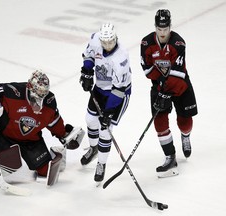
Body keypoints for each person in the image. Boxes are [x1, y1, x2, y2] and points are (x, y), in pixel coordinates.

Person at [0, 70, 84, 190]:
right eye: (37, 93)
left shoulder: (49, 102)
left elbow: (54, 121)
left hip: (32, 141)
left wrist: (64, 135)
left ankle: (56, 153)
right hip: (5, 136)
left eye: (43, 94)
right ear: (30, 87)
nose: (40, 99)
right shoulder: (14, 92)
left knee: (47, 171)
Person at [140, 9, 198, 177]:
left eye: (165, 29)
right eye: (159, 29)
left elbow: (177, 72)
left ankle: (185, 136)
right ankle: (170, 156)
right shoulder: (146, 43)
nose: (162, 32)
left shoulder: (178, 43)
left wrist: (166, 90)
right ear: (155, 27)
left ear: (170, 27)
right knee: (159, 122)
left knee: (185, 122)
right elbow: (147, 69)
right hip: (159, 86)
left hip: (180, 85)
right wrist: (162, 88)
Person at [79, 23, 132, 183]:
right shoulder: (96, 40)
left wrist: (109, 112)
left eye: (111, 42)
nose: (108, 45)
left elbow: (119, 89)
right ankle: (94, 148)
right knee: (90, 120)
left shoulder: (121, 57)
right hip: (100, 89)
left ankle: (101, 163)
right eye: (105, 42)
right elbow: (88, 55)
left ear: (116, 38)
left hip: (118, 94)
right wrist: (87, 72)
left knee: (105, 130)